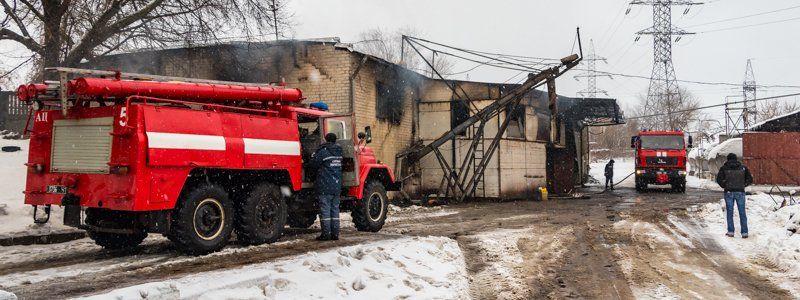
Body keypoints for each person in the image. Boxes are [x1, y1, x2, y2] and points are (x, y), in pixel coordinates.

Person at [310, 133, 343, 241]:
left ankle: (326, 234)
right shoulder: (339, 152)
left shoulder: (323, 152)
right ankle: (335, 234)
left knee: (325, 211)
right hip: (336, 186)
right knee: (335, 211)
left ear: (325, 139)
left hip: (325, 186)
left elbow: (313, 165)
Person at [716, 153, 754, 238]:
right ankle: (744, 232)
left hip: (729, 192)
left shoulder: (724, 168)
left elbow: (718, 179)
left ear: (728, 159)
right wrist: (743, 184)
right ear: (736, 159)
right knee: (742, 212)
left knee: (729, 212)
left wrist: (724, 185)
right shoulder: (743, 168)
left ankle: (731, 231)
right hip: (740, 192)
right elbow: (750, 179)